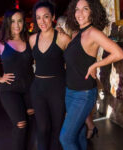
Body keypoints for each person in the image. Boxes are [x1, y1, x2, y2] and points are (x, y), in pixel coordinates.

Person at [59, 0, 123, 150]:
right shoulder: (76, 33)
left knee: (66, 138)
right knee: (79, 134)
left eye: (85, 9)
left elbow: (119, 53)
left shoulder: (93, 33)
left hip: (83, 94)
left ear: (92, 12)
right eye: (77, 9)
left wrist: (96, 64)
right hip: (70, 91)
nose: (79, 13)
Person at [0, 9, 35, 150]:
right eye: (12, 21)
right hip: (9, 90)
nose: (16, 25)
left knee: (29, 123)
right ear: (7, 23)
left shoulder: (30, 40)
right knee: (20, 124)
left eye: (19, 21)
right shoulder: (1, 43)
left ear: (24, 23)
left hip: (29, 89)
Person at [29, 1, 71, 150]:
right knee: (42, 128)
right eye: (38, 17)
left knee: (56, 129)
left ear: (53, 17)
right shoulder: (32, 39)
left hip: (57, 89)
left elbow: (74, 63)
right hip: (38, 89)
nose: (42, 21)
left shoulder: (63, 38)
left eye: (46, 16)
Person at [56, 15, 98, 140]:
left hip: (80, 81)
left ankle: (89, 128)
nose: (57, 28)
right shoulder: (66, 38)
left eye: (60, 25)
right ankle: (89, 128)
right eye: (57, 25)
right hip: (70, 80)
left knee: (67, 134)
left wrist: (95, 65)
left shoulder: (74, 38)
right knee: (76, 113)